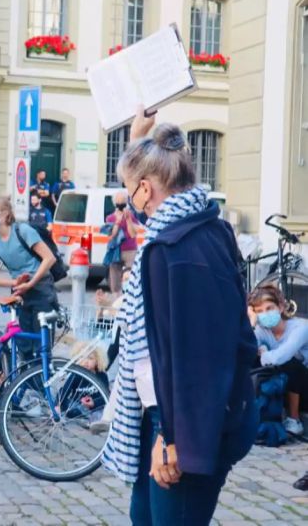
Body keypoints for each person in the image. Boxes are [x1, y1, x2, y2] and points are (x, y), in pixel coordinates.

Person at [101, 108, 258, 526]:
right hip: (173, 415)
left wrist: (172, 439)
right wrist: (137, 137)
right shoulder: (200, 222)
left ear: (147, 189)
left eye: (130, 189)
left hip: (180, 419)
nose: (128, 199)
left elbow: (192, 357)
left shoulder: (172, 251)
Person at [0, 196, 57, 358]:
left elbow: (49, 258)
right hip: (20, 291)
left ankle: (41, 380)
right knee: (24, 345)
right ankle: (24, 380)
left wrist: (31, 283)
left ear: (4, 214)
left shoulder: (22, 231)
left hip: (41, 287)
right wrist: (15, 282)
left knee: (42, 345)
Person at [248, 285, 308, 436]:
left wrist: (264, 353)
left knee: (289, 363)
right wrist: (252, 323)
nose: (265, 314)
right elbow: (244, 350)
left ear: (281, 307)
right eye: (259, 311)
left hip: (305, 388)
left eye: (269, 308)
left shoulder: (300, 328)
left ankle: (294, 420)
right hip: (284, 388)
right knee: (250, 358)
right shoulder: (262, 331)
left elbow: (282, 356)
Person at [106, 191, 138, 294]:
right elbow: (111, 235)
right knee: (115, 282)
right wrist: (118, 221)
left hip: (130, 250)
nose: (121, 204)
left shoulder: (132, 216)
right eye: (119, 202)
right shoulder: (110, 218)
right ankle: (117, 303)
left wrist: (128, 220)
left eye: (123, 201)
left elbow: (133, 234)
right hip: (115, 251)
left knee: (132, 278)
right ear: (115, 203)